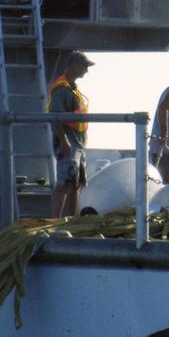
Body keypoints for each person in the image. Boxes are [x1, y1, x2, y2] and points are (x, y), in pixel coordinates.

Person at [47, 51, 93, 218]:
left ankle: (72, 222)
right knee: (64, 184)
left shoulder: (73, 89)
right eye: (85, 66)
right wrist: (63, 140)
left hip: (78, 144)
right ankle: (55, 222)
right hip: (69, 144)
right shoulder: (61, 89)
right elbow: (55, 117)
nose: (87, 70)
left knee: (75, 185)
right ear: (75, 65)